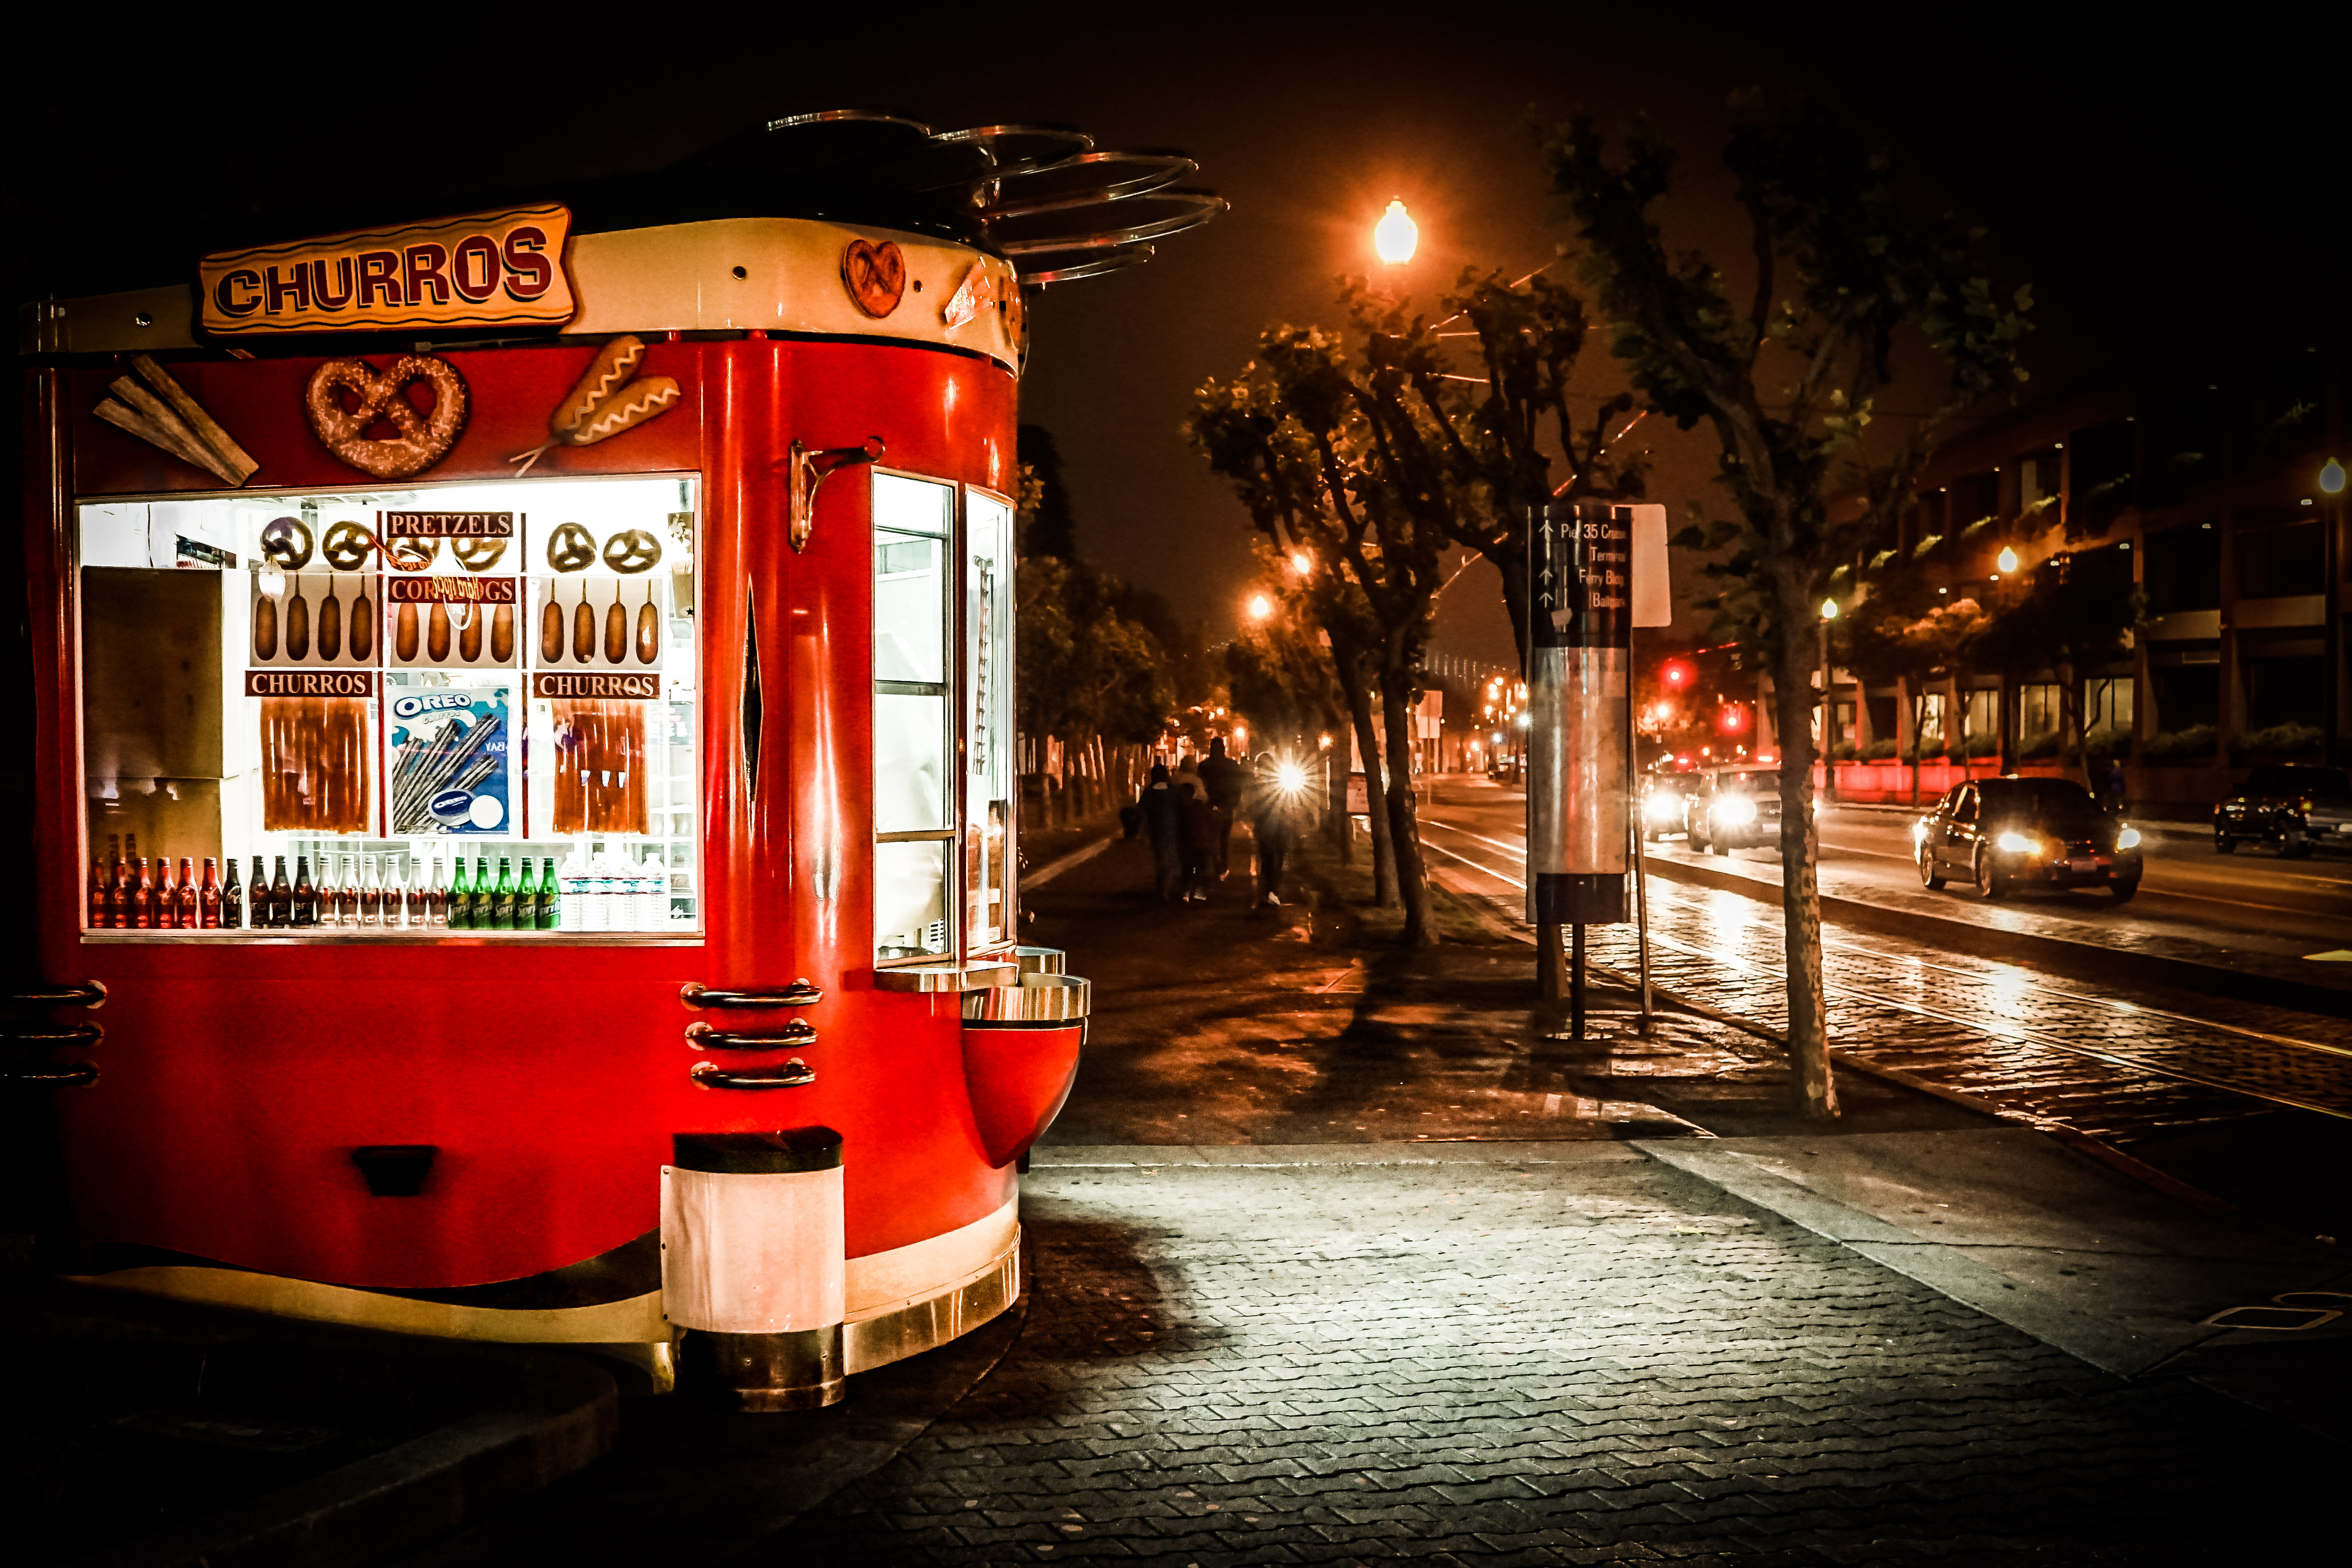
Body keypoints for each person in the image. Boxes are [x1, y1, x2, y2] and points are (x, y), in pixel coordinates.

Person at [1197, 736, 1249, 880]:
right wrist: (1235, 803)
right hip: (1226, 806)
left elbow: (1201, 787)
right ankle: (1223, 866)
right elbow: (1238, 786)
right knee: (1224, 838)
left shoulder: (1204, 766)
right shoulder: (1232, 765)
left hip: (1210, 806)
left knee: (1211, 838)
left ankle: (1215, 865)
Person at [1250, 751, 1296, 911]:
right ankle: (1273, 889)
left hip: (1266, 824)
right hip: (1280, 823)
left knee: (1268, 857)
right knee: (1279, 856)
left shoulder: (1258, 783)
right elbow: (1289, 801)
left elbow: (1254, 804)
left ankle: (1269, 888)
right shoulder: (1281, 781)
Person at [1139, 763, 1184, 902]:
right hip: (1173, 830)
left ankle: (1164, 889)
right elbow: (1182, 809)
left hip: (1157, 832)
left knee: (1162, 860)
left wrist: (1143, 832)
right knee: (1171, 860)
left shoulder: (1150, 792)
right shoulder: (1173, 791)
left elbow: (1142, 811)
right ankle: (1166, 889)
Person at [1180, 776, 1222, 904]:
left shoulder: (1186, 810)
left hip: (1193, 845)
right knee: (1199, 868)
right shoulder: (1200, 807)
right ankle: (1197, 891)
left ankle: (1190, 891)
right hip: (1200, 844)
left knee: (1191, 868)